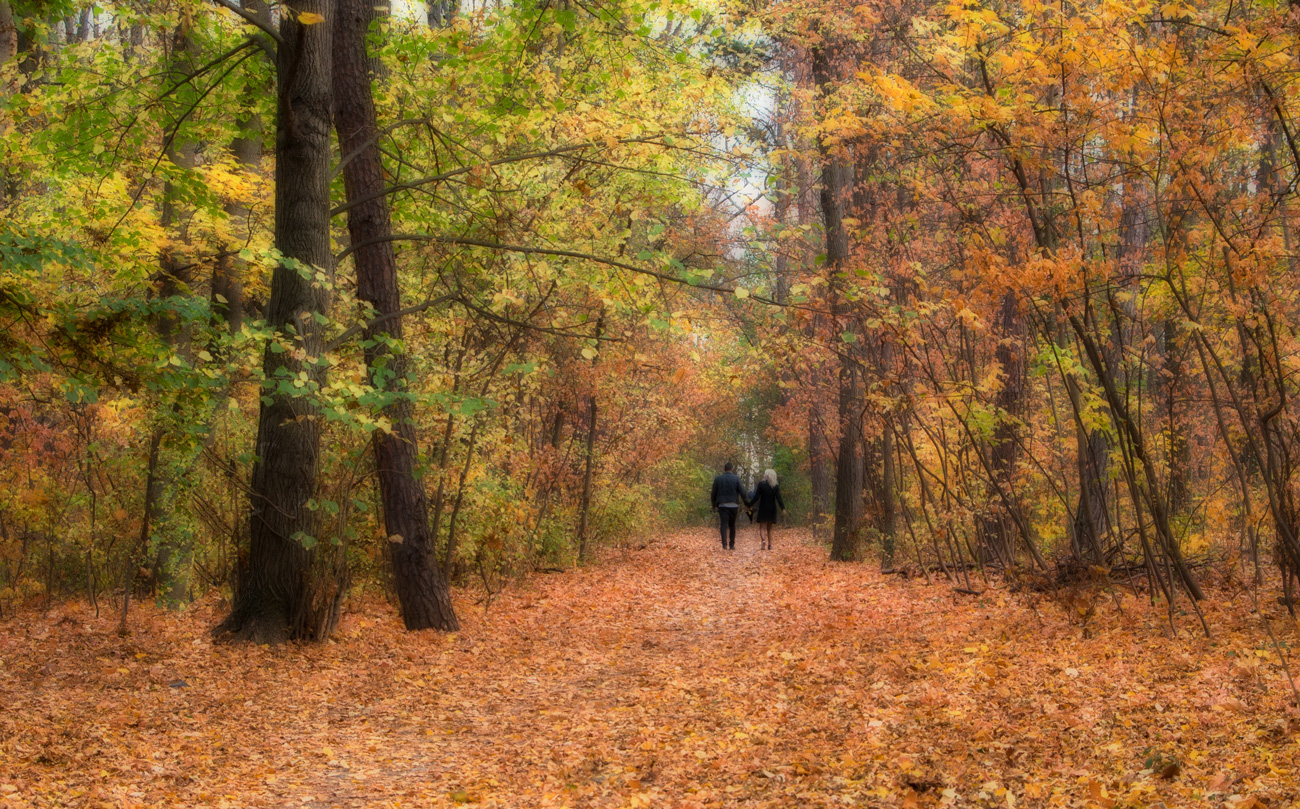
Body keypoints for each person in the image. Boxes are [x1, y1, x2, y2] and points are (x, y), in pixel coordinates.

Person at [710, 462, 748, 550]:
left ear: (724, 469)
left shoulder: (718, 479)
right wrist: (746, 503)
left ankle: (724, 545)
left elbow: (713, 493)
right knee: (732, 525)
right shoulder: (736, 479)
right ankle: (732, 545)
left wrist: (714, 504)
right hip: (734, 505)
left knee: (723, 524)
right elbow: (742, 492)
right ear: (732, 469)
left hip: (722, 505)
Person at [748, 468, 785, 550]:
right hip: (772, 508)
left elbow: (756, 497)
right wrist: (783, 508)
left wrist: (749, 504)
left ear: (766, 475)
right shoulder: (775, 486)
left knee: (762, 527)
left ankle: (763, 540)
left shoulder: (761, 484)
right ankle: (770, 545)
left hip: (763, 508)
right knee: (770, 528)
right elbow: (779, 498)